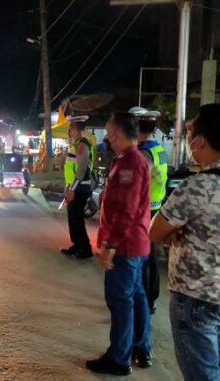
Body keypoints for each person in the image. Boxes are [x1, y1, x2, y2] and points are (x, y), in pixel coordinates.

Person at [149, 104, 220, 381]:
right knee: (218, 367)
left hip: (196, 299)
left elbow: (154, 231)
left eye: (191, 131)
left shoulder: (197, 186)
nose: (188, 138)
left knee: (201, 375)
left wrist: (174, 232)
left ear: (201, 140)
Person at [86, 112, 152, 376]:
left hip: (125, 246)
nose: (106, 137)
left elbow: (125, 209)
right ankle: (138, 346)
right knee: (135, 296)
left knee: (121, 300)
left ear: (120, 134)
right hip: (133, 244)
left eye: (109, 132)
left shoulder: (130, 164)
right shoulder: (127, 160)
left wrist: (110, 246)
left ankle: (119, 358)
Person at [129, 107, 167, 315]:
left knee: (143, 260)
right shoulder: (157, 148)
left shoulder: (143, 153)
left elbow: (136, 184)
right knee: (151, 259)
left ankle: (144, 301)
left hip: (143, 213)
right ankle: (150, 299)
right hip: (155, 208)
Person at [61, 116, 94, 259]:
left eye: (71, 129)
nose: (70, 132)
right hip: (75, 187)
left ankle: (85, 249)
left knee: (77, 220)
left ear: (75, 129)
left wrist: (72, 189)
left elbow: (81, 171)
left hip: (79, 189)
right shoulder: (77, 145)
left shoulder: (81, 145)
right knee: (74, 219)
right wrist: (68, 187)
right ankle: (78, 245)